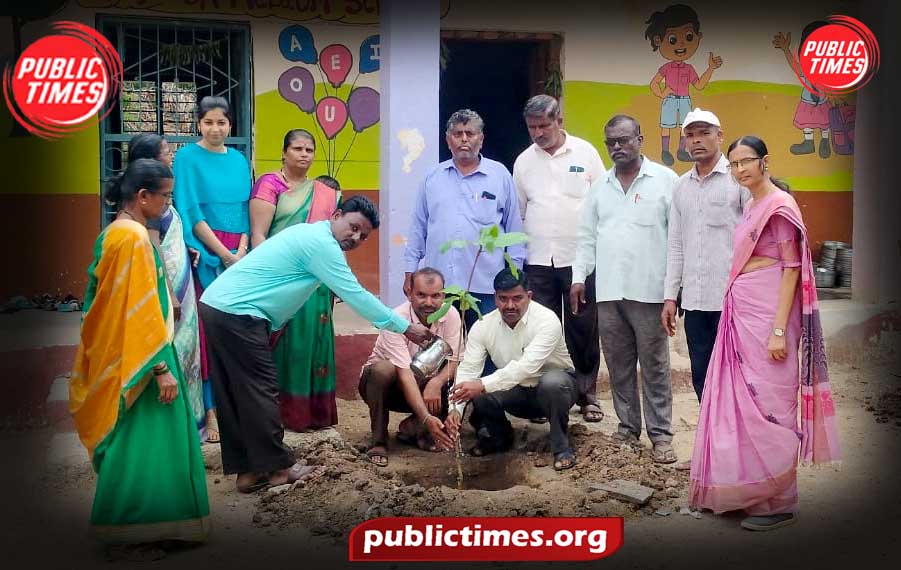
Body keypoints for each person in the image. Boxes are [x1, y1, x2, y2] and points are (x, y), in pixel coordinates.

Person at [199, 196, 434, 493]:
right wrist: (404, 327)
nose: (356, 238)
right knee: (261, 391)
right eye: (353, 227)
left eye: (363, 235)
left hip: (219, 307)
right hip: (238, 314)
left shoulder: (311, 235)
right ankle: (279, 468)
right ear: (336, 215)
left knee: (238, 394)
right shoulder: (321, 245)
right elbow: (355, 294)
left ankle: (249, 472)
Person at [689, 136, 841, 531]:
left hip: (769, 319)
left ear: (764, 161)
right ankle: (747, 491)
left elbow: (791, 269)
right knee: (741, 402)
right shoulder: (752, 205)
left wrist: (777, 330)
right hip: (742, 317)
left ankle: (779, 502)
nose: (740, 169)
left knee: (770, 401)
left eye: (747, 161)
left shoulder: (780, 206)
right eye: (734, 163)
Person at [69, 158, 209, 556]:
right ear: (144, 196)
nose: (168, 204)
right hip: (142, 360)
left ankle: (159, 527)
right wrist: (160, 367)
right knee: (142, 447)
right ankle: (130, 533)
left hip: (133, 354)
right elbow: (137, 310)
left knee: (154, 443)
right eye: (166, 197)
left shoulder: (117, 232)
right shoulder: (132, 237)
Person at [571, 115, 680, 464]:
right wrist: (578, 277)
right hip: (609, 292)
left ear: (640, 139)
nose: (617, 147)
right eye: (611, 142)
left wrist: (673, 290)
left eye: (624, 140)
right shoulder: (599, 188)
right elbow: (586, 237)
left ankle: (661, 436)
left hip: (650, 292)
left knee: (655, 366)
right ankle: (628, 429)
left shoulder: (666, 181)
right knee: (618, 365)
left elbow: (677, 239)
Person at [513, 94, 604, 423]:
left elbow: (601, 202)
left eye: (544, 126)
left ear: (559, 121)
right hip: (538, 259)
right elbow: (519, 211)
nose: (538, 133)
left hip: (580, 259)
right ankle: (544, 398)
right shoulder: (523, 162)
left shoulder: (586, 153)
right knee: (543, 329)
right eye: (532, 127)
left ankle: (587, 395)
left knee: (583, 327)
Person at [249, 129, 341, 432]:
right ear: (284, 152)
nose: (304, 154)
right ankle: (286, 415)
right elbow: (259, 234)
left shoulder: (323, 192)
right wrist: (269, 276)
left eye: (309, 150)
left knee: (316, 344)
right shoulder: (270, 184)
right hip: (283, 277)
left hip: (317, 280)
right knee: (290, 346)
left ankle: (315, 414)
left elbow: (332, 239)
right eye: (298, 149)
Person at [174, 95, 252, 443]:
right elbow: (191, 211)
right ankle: (210, 411)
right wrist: (223, 254)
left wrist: (242, 250)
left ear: (230, 125)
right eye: (208, 122)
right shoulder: (187, 158)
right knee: (207, 333)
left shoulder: (238, 160)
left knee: (237, 330)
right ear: (198, 124)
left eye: (222, 122)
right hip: (206, 254)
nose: (215, 128)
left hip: (239, 254)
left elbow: (245, 210)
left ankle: (236, 406)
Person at [404, 108, 526, 331]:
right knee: (440, 345)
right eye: (457, 134)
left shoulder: (500, 176)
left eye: (470, 133)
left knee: (487, 344)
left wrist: (514, 275)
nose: (463, 139)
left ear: (481, 139)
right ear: (448, 140)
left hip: (487, 284)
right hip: (440, 288)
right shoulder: (432, 178)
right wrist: (410, 270)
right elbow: (418, 228)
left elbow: (513, 229)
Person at [446, 267, 578, 471]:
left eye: (517, 298)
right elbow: (469, 370)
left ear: (529, 296)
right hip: (515, 391)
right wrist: (455, 409)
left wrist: (481, 384)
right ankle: (499, 438)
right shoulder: (483, 326)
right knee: (480, 393)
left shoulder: (547, 320)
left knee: (552, 382)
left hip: (556, 390)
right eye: (503, 299)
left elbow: (527, 366)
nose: (510, 305)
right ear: (495, 297)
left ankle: (561, 447)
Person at [661, 109, 749, 403]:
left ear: (720, 136)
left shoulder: (738, 180)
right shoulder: (681, 186)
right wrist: (670, 297)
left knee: (738, 373)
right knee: (702, 375)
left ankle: (738, 429)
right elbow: (676, 245)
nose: (696, 140)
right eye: (690, 135)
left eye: (704, 133)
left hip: (733, 299)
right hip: (695, 302)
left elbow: (756, 236)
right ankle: (712, 430)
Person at [127, 134, 207, 438]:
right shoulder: (149, 204)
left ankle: (189, 423)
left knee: (188, 351)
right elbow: (154, 248)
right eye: (165, 151)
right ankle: (179, 425)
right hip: (169, 287)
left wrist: (186, 250)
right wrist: (170, 294)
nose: (171, 155)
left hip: (181, 280)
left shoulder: (160, 198)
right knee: (178, 350)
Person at [359, 267, 461, 466]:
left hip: (426, 386)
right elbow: (405, 374)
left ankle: (412, 429)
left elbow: (455, 359)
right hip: (388, 389)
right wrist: (426, 417)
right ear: (409, 293)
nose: (429, 302)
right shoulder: (395, 319)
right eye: (421, 295)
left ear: (444, 295)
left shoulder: (451, 314)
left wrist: (436, 383)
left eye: (435, 296)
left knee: (459, 379)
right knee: (382, 370)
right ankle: (379, 441)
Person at [644, 4, 723, 165]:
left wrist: (710, 68)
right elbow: (654, 83)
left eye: (688, 37)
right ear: (659, 41)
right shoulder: (667, 67)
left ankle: (681, 151)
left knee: (684, 127)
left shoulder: (689, 68)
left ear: (698, 37)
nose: (681, 44)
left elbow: (699, 85)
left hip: (685, 100)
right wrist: (662, 94)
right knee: (666, 125)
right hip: (670, 99)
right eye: (673, 39)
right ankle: (665, 151)